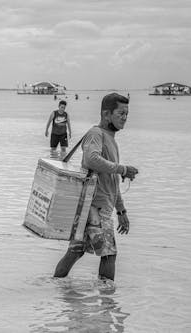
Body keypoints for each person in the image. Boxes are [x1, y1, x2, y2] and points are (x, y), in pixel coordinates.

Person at [53, 93, 139, 281]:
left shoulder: (110, 139)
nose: (125, 118)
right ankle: (108, 301)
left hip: (94, 208)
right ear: (106, 114)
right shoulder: (96, 134)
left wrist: (121, 211)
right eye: (121, 113)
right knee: (108, 253)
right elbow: (91, 159)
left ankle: (56, 287)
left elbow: (111, 181)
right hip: (95, 209)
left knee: (76, 251)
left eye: (127, 114)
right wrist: (122, 169)